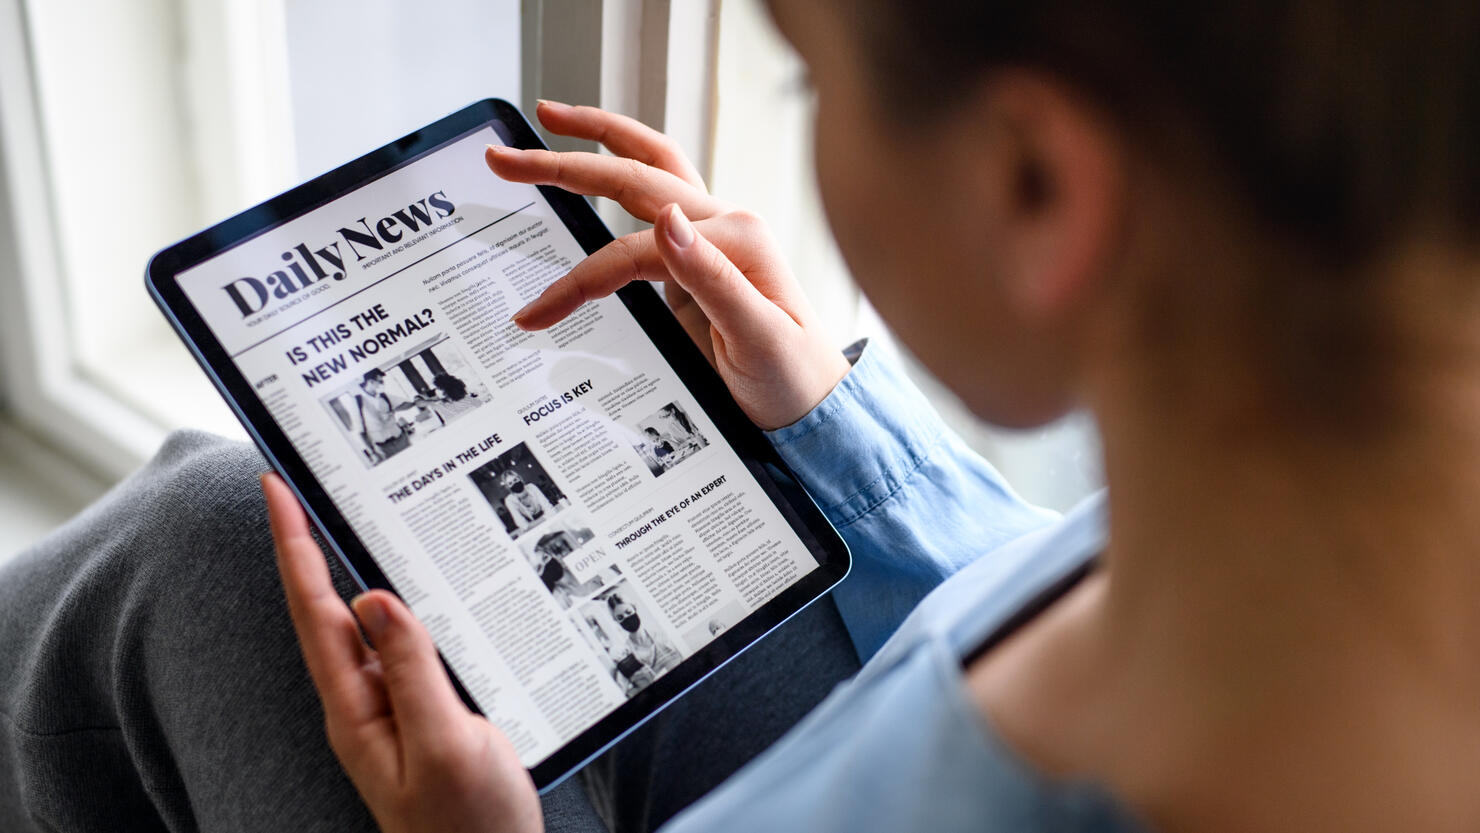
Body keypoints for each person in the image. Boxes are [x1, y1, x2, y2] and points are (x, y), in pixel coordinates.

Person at [4, 1, 1480, 832]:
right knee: (241, 547)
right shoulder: (1334, 483)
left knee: (218, 560)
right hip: (895, 675)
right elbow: (1031, 572)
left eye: (807, 77)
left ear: (1034, 188)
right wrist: (839, 430)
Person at [354, 369, 418, 462]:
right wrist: (372, 453)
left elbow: (407, 404)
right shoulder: (358, 402)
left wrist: (394, 410)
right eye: (380, 381)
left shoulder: (384, 397)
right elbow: (360, 432)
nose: (382, 384)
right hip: (383, 448)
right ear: (371, 382)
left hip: (402, 440)